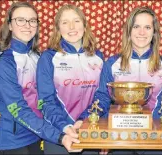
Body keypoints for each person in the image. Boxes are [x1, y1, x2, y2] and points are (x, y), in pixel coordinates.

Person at [78, 6, 162, 154]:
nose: (141, 32)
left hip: (155, 137)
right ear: (129, 31)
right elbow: (102, 97)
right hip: (120, 137)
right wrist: (85, 119)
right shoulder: (112, 63)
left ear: (154, 32)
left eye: (147, 27)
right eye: (136, 26)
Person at [0, 2, 80, 154]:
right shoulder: (1, 60)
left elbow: (48, 98)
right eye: (20, 20)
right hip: (11, 141)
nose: (27, 25)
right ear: (10, 25)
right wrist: (59, 137)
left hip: (37, 135)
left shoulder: (37, 56)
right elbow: (18, 109)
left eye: (32, 20)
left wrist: (66, 125)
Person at [36, 4, 104, 154]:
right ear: (58, 28)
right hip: (58, 134)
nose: (71, 26)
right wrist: (65, 127)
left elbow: (102, 96)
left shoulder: (98, 57)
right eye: (65, 22)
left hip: (89, 130)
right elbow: (46, 100)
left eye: (77, 21)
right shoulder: (48, 58)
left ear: (85, 26)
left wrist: (84, 120)